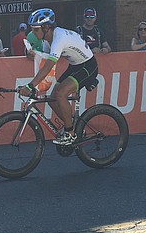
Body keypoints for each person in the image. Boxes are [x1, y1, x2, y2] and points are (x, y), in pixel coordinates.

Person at [18, 8, 98, 146]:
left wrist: (30, 86)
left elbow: (48, 66)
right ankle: (75, 127)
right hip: (75, 65)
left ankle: (70, 133)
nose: (33, 33)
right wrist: (30, 53)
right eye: (32, 29)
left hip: (88, 66)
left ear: (46, 27)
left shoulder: (59, 38)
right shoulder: (47, 39)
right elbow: (43, 57)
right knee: (52, 98)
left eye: (35, 29)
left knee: (60, 94)